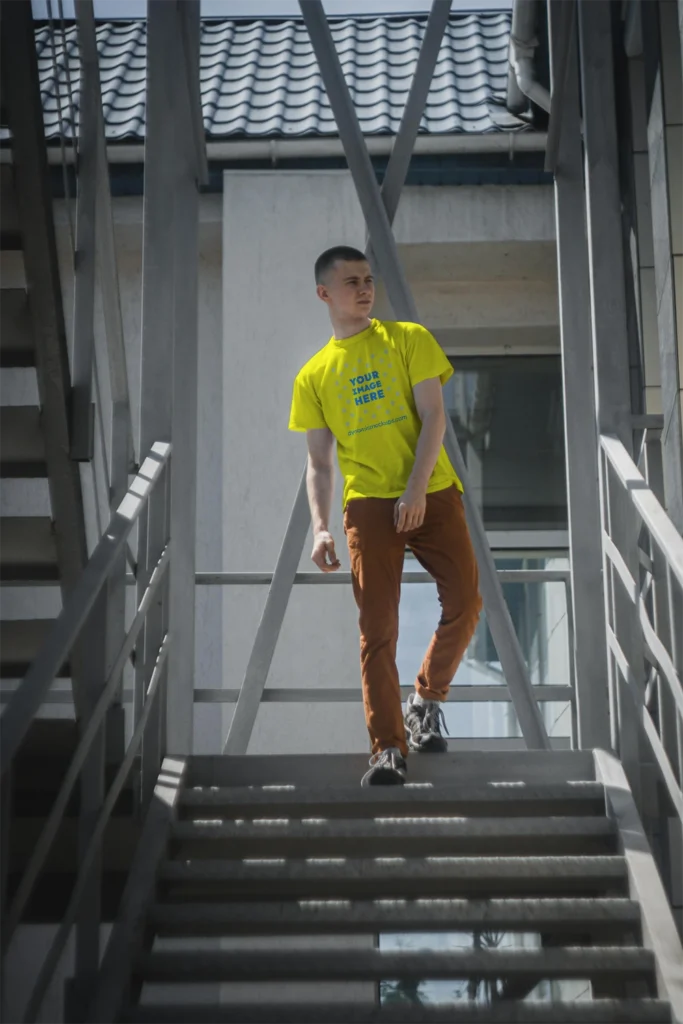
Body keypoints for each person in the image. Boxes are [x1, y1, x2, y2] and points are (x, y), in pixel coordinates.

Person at [289, 245, 482, 786]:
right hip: (368, 506)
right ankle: (387, 749)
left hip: (433, 490)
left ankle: (426, 698)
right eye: (352, 281)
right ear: (325, 293)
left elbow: (434, 417)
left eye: (369, 279)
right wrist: (321, 526)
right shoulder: (314, 376)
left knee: (466, 601)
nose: (365, 288)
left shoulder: (408, 339)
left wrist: (417, 489)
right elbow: (319, 463)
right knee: (377, 628)